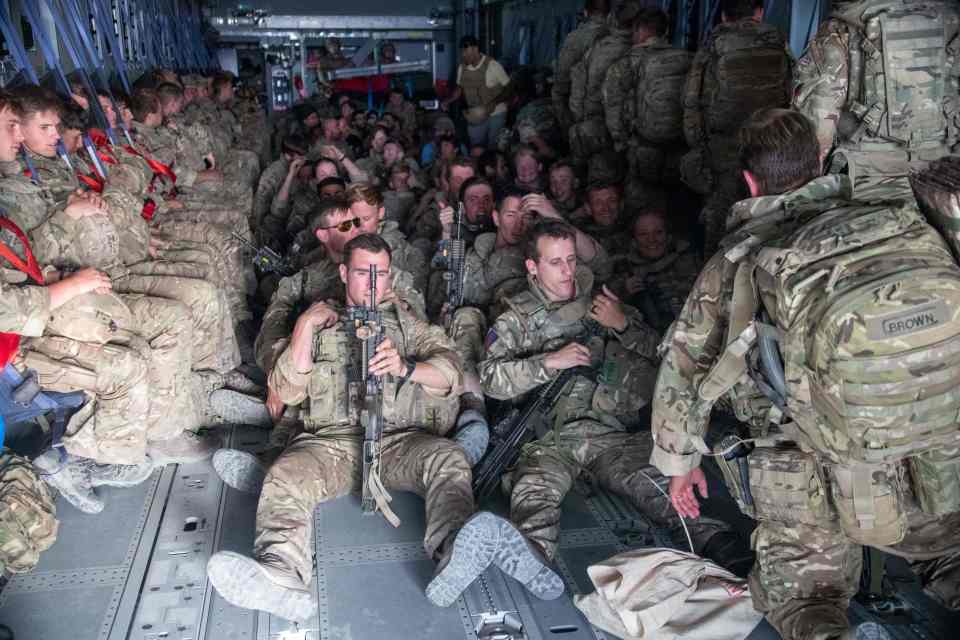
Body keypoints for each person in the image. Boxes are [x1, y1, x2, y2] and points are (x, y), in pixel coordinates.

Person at [654, 108, 960, 640]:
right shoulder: (904, 218)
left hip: (806, 472)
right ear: (821, 160)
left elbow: (686, 367)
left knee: (804, 599)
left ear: (749, 180)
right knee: (948, 553)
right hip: (932, 445)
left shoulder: (739, 261)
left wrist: (679, 462)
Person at [207, 234, 562, 619]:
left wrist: (406, 367)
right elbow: (286, 389)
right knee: (285, 474)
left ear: (391, 276)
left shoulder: (407, 325)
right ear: (344, 273)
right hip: (331, 444)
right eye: (362, 273)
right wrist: (305, 328)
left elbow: (451, 373)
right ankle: (281, 574)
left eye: (380, 274)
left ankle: (454, 549)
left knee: (448, 459)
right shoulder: (318, 320)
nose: (372, 284)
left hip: (401, 442)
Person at [478, 219, 745, 594]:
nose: (568, 271)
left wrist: (621, 324)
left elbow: (665, 357)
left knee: (659, 487)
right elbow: (489, 378)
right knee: (535, 494)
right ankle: (533, 560)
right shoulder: (514, 320)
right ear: (532, 267)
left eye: (571, 259)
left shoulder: (601, 304)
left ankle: (725, 549)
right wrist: (549, 362)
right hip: (548, 439)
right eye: (555, 263)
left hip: (609, 434)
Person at [793, 0, 959, 200]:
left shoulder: (843, 26)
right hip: (946, 180)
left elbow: (818, 129)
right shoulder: (952, 17)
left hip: (866, 182)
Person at [682, 0, 792, 255]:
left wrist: (697, 145)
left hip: (724, 145)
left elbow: (691, 98)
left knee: (720, 214)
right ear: (760, 12)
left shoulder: (714, 45)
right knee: (767, 216)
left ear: (723, 15)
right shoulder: (778, 43)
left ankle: (715, 275)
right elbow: (791, 91)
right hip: (770, 144)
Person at [568, 1, 640, 184]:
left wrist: (581, 127)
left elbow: (573, 92)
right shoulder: (644, 52)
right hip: (638, 139)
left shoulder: (596, 50)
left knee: (602, 190)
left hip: (600, 132)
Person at [607, 208, 701, 334]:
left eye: (658, 232)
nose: (651, 239)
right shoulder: (624, 270)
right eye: (643, 234)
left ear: (668, 236)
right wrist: (625, 293)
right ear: (634, 241)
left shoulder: (691, 259)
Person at [443, 36, 512, 149]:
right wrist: (448, 101)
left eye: (466, 51)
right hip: (475, 114)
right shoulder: (462, 68)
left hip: (496, 113)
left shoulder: (492, 65)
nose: (463, 54)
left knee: (494, 148)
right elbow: (460, 89)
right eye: (462, 51)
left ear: (475, 49)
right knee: (476, 148)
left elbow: (509, 88)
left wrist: (494, 102)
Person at [553, 0, 610, 132]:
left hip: (585, 113)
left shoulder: (577, 37)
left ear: (586, 12)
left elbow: (562, 78)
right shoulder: (624, 36)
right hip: (615, 112)